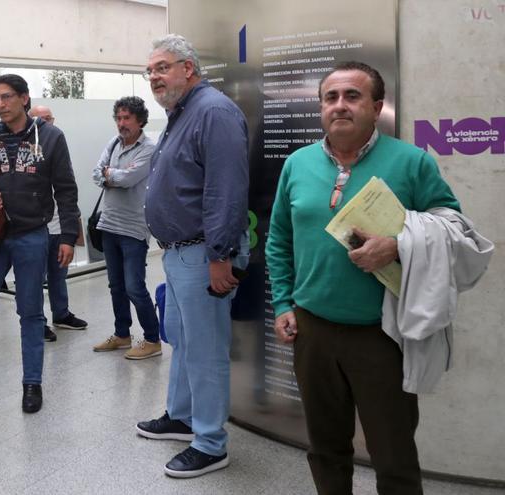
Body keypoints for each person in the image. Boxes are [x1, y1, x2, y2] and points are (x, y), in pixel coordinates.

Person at [266, 61, 461, 495]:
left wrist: (397, 245)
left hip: (383, 335)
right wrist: (283, 303)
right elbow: (278, 240)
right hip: (312, 332)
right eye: (330, 97)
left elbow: (452, 227)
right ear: (320, 108)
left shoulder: (411, 162)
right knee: (326, 448)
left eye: (352, 96)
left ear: (377, 106)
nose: (340, 106)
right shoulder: (297, 164)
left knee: (393, 455)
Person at [136, 34, 250, 478]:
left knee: (205, 351)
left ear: (189, 68)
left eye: (162, 67)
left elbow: (226, 191)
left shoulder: (214, 111)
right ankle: (182, 418)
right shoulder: (182, 112)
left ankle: (210, 443)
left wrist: (220, 255)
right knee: (183, 344)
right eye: (150, 71)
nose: (154, 77)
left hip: (205, 254)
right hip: (180, 253)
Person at [0, 74, 80, 413]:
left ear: (25, 98)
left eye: (8, 97)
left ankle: (32, 385)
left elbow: (66, 189)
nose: (2, 104)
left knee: (30, 313)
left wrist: (69, 236)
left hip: (31, 235)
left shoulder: (52, 137)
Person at [90, 96, 161, 359]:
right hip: (109, 224)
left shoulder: (150, 147)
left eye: (127, 118)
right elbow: (96, 173)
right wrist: (111, 174)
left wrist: (111, 174)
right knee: (116, 286)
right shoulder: (113, 144)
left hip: (134, 228)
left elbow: (129, 178)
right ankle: (122, 334)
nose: (122, 123)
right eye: (118, 118)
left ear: (140, 120)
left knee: (134, 286)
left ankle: (152, 339)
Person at [27, 105, 89, 343]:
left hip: (59, 226)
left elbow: (67, 187)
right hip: (37, 228)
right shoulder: (26, 150)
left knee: (59, 274)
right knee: (34, 279)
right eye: (39, 120)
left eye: (48, 118)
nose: (46, 123)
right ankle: (37, 322)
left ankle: (61, 314)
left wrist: (70, 229)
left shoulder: (58, 144)